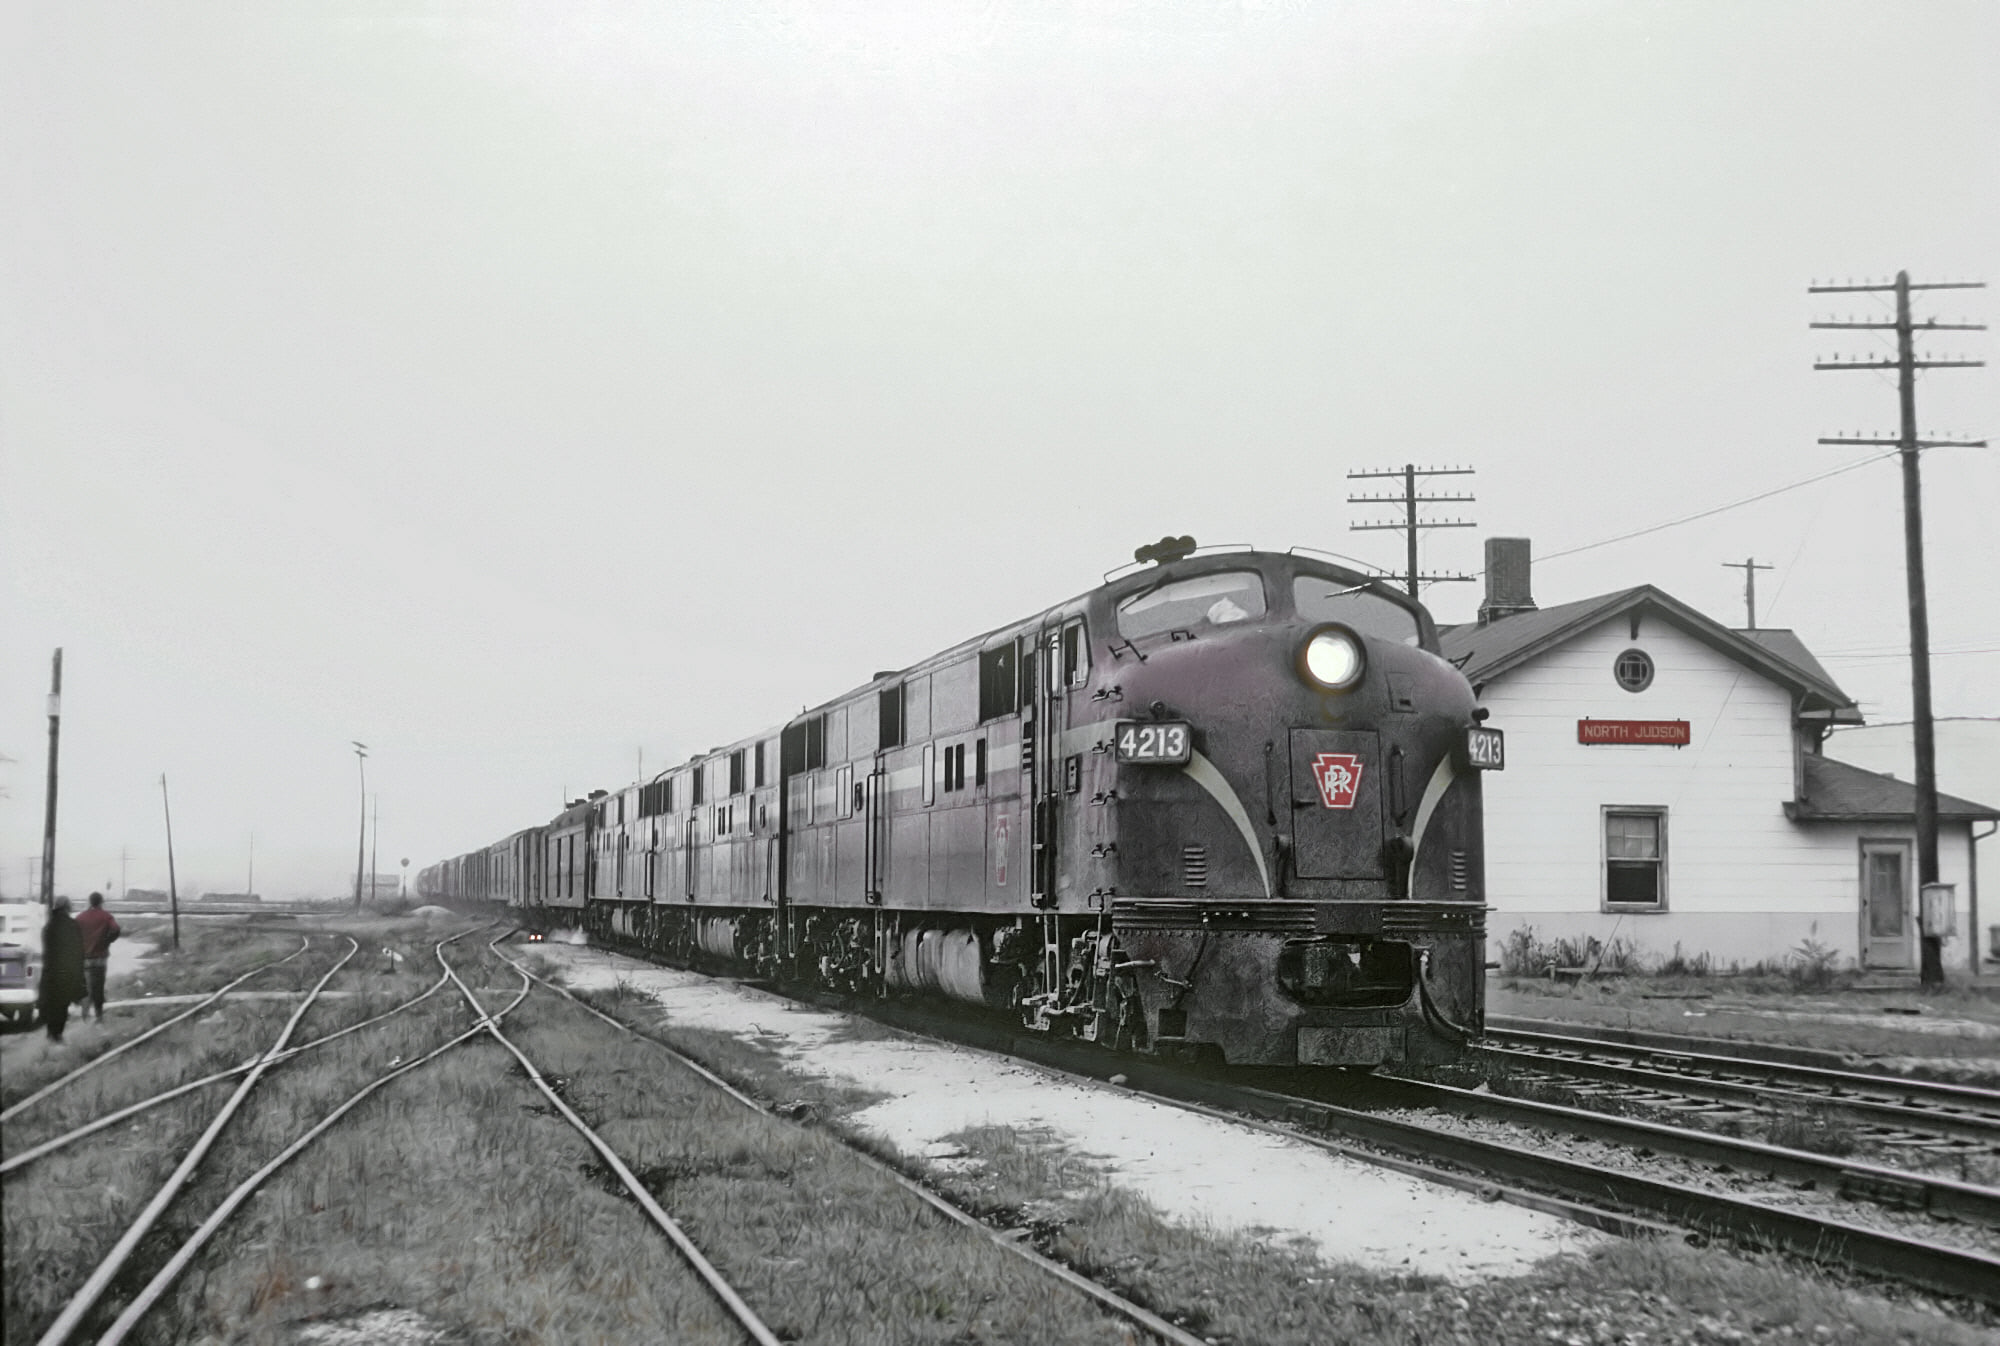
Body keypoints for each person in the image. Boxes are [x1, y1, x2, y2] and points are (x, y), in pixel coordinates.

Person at [37, 897, 86, 1044]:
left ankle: (51, 1034)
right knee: (63, 1005)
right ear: (67, 908)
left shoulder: (48, 926)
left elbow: (47, 951)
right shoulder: (72, 925)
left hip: (50, 973)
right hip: (66, 973)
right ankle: (57, 1036)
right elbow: (78, 952)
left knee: (52, 1003)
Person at [77, 891, 121, 1021]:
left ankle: (84, 1016)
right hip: (100, 958)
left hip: (85, 959)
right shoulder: (106, 916)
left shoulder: (80, 917)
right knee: (98, 987)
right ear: (101, 902)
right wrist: (107, 941)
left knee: (86, 987)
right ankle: (99, 1016)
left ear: (90, 902)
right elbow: (116, 929)